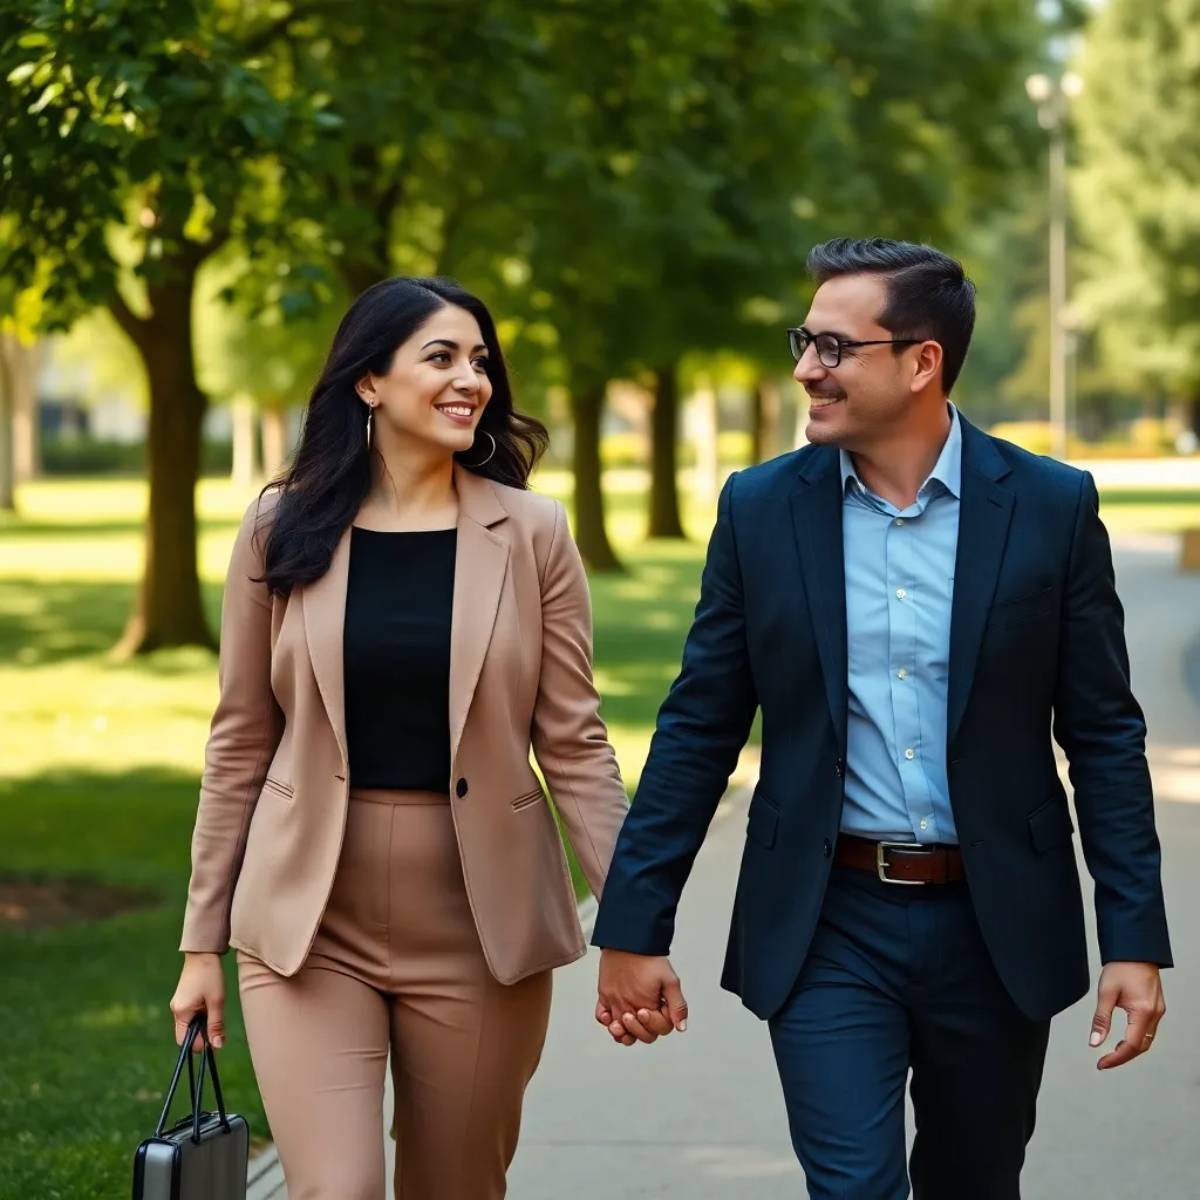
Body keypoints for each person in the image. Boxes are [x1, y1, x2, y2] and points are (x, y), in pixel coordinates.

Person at [590, 238, 1172, 1198]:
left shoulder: (1049, 506)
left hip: (995, 926)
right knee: (854, 1188)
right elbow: (699, 724)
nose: (804, 368)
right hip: (828, 920)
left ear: (921, 362)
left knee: (972, 1183)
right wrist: (634, 923)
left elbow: (1105, 735)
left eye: (831, 347)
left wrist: (1136, 939)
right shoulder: (762, 509)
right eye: (803, 342)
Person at [169, 276, 629, 1199]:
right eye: (442, 357)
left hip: (478, 921)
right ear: (368, 382)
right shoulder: (280, 527)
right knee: (334, 1190)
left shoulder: (533, 532)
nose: (472, 381)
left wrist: (634, 920)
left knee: (455, 1186)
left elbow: (575, 744)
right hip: (307, 916)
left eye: (481, 361)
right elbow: (239, 743)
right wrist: (198, 944)